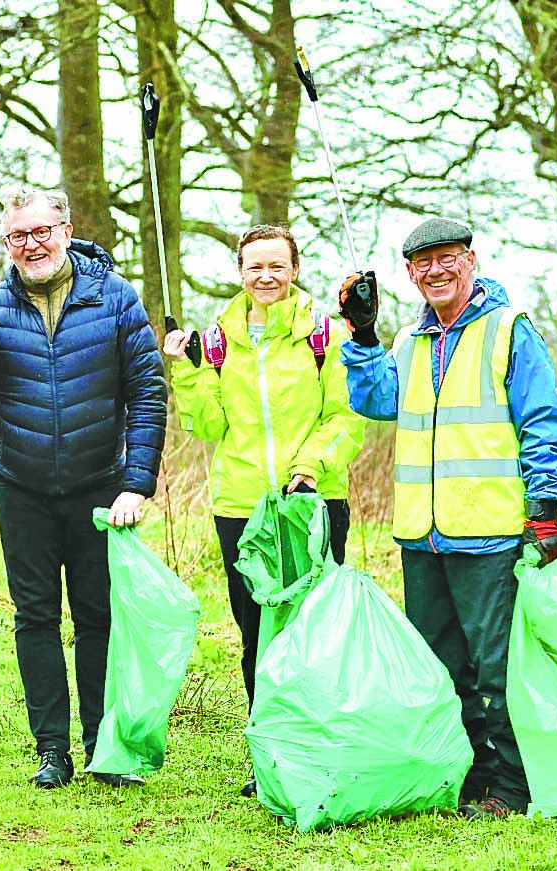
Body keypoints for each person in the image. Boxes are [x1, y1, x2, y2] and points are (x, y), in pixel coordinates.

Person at [337, 217, 557, 819]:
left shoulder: (509, 331)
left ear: (471, 259)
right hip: (422, 536)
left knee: (496, 669)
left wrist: (545, 508)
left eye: (447, 259)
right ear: (409, 274)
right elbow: (374, 400)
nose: (436, 271)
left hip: (489, 534)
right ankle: (467, 776)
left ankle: (511, 787)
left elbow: (542, 421)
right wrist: (362, 335)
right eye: (422, 264)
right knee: (442, 667)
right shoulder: (408, 344)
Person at [0, 186, 167, 789]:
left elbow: (147, 393)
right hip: (23, 486)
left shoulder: (114, 297)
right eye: (18, 236)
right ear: (7, 242)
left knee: (97, 618)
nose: (31, 245)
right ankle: (52, 750)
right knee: (34, 617)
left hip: (100, 486)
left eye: (42, 232)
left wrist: (137, 482)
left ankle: (101, 744)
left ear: (66, 232)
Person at [163, 224, 364, 796]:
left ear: (295, 269)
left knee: (312, 628)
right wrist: (189, 369)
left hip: (312, 500)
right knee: (257, 632)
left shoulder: (327, 335)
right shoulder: (220, 341)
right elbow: (208, 425)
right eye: (255, 267)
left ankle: (320, 748)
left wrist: (310, 468)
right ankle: (270, 752)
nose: (266, 276)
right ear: (240, 272)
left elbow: (346, 418)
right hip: (240, 506)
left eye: (277, 266)